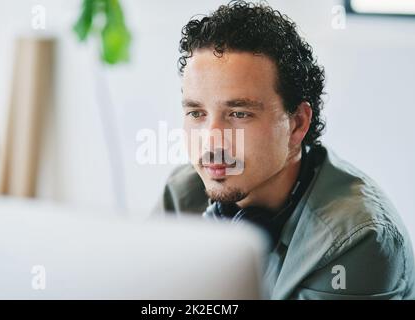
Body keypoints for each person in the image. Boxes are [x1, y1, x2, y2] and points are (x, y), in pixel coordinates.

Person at [156, 1, 415, 299]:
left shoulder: (359, 238)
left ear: (296, 124)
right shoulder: (183, 192)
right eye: (196, 113)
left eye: (239, 114)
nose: (212, 142)